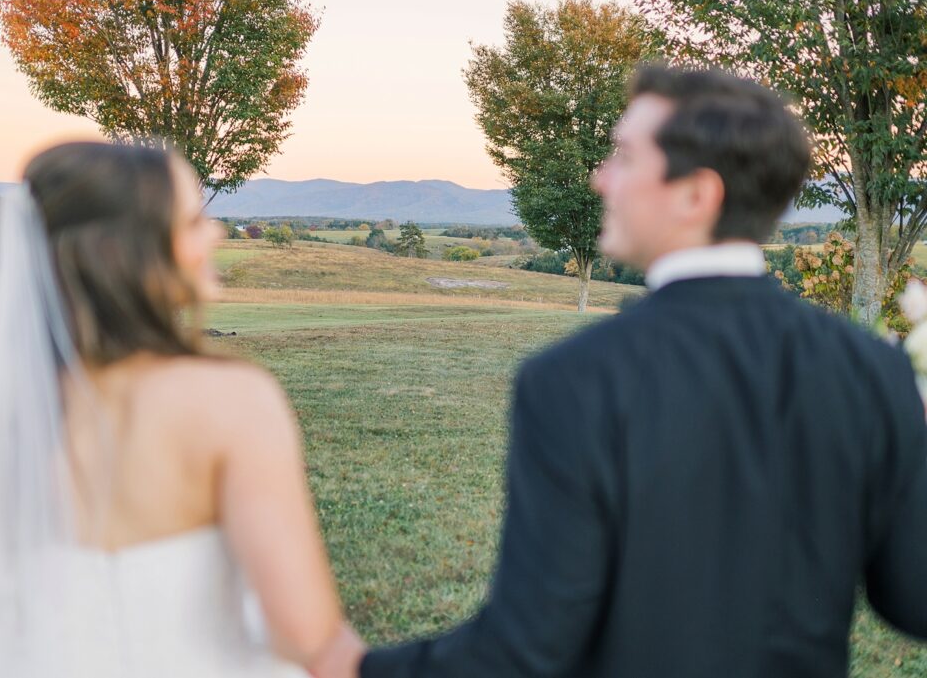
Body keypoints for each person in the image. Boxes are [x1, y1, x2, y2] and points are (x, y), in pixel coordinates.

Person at [359, 64, 927, 678]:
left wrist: (359, 667)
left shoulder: (573, 380)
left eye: (624, 157)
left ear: (696, 195)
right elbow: (913, 599)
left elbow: (525, 648)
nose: (600, 178)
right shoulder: (873, 370)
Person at [0, 142, 363, 677]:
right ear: (130, 250)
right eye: (192, 221)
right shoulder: (234, 405)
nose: (214, 233)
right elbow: (306, 633)